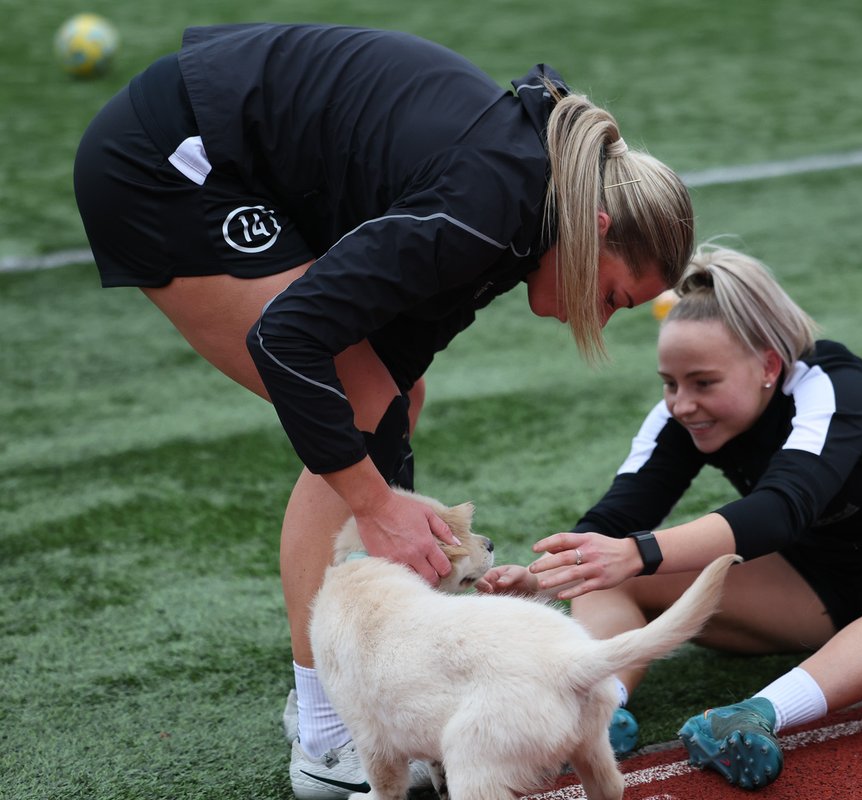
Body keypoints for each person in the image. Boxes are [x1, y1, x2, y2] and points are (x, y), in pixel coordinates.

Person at [72, 23, 694, 800]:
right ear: (597, 230)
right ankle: (327, 733)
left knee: (387, 396)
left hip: (244, 157)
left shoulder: (523, 218)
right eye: (611, 298)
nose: (591, 322)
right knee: (356, 400)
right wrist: (377, 507)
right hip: (170, 158)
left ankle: (371, 691)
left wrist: (397, 539)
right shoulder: (489, 207)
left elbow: (394, 380)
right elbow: (287, 340)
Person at [479, 244, 862, 790]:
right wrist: (540, 580)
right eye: (670, 383)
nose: (682, 403)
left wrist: (637, 551)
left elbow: (782, 511)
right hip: (808, 596)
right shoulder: (683, 414)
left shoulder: (834, 385)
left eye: (703, 383)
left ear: (768, 367)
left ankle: (756, 714)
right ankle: (598, 712)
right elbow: (616, 514)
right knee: (599, 568)